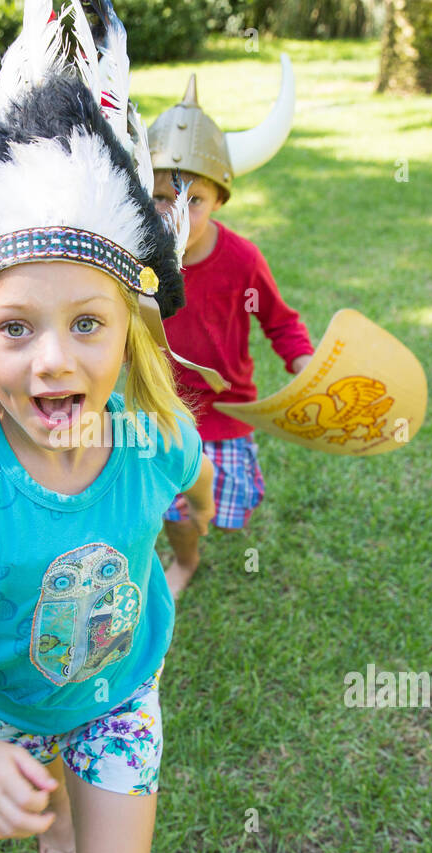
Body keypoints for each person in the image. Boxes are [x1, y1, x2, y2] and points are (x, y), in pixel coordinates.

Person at [0, 0, 227, 853]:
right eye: (17, 328)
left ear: (131, 330)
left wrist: (186, 549)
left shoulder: (154, 437)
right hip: (5, 710)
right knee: (50, 831)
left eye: (88, 325)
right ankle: (58, 818)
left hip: (122, 697)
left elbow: (194, 479)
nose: (53, 361)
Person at [146, 62, 316, 597]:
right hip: (157, 407)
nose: (177, 211)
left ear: (220, 199)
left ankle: (195, 526)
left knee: (217, 510)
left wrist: (305, 364)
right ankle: (184, 560)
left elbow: (281, 322)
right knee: (171, 508)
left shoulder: (242, 260)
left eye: (194, 199)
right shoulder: (135, 257)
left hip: (226, 411)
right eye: (162, 197)